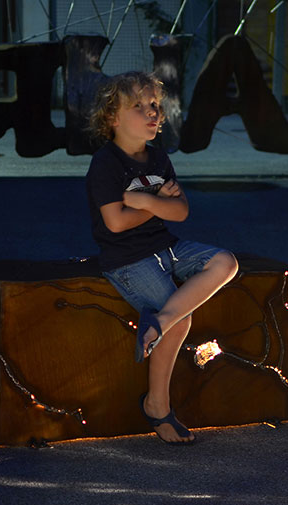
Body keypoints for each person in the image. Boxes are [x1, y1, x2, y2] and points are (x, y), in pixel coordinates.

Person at [86, 71, 238, 445]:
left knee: (226, 263)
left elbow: (182, 212)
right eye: (138, 106)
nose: (152, 112)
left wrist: (147, 202)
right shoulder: (106, 164)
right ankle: (157, 405)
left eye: (154, 105)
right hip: (127, 260)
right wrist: (159, 205)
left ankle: (159, 322)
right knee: (183, 321)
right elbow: (116, 222)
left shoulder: (158, 158)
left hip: (166, 247)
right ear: (113, 118)